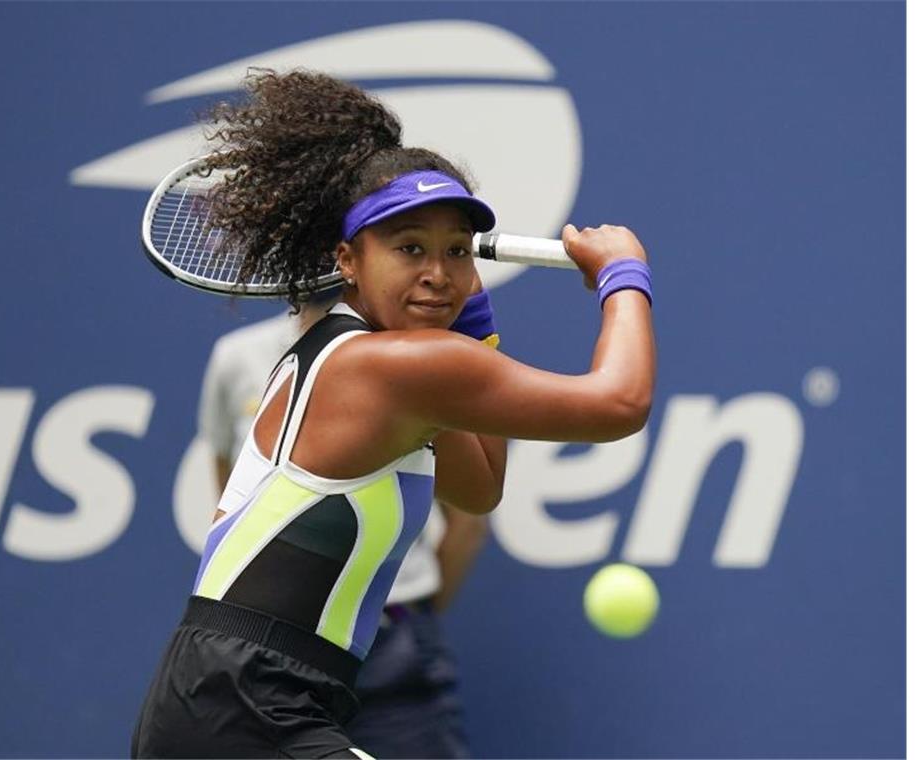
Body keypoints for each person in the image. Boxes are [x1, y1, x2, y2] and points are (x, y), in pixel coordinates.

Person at [132, 69, 655, 759]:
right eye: (410, 248)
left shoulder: (374, 358)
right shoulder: (392, 368)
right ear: (347, 259)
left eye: (456, 253)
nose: (437, 272)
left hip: (235, 701)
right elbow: (619, 403)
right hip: (244, 705)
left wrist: (476, 329)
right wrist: (624, 274)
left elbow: (480, 486)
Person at [197, 297, 487, 758]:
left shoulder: (427, 361)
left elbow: (470, 518)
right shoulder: (236, 358)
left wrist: (391, 614)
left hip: (396, 650)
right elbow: (231, 504)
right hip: (269, 661)